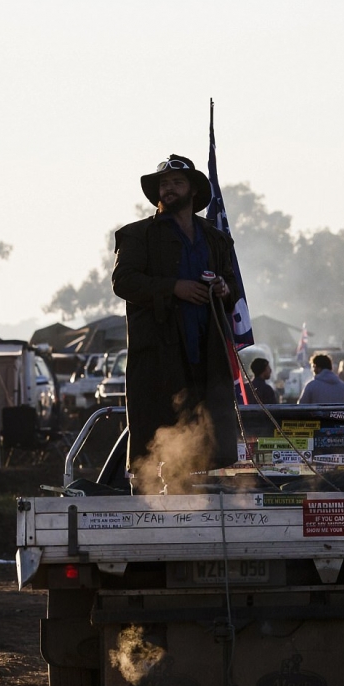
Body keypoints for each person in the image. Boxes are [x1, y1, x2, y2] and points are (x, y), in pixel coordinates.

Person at [112, 154, 240, 489]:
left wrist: (223, 288)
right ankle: (147, 516)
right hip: (159, 358)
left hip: (206, 356)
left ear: (193, 190)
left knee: (205, 443)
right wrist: (174, 288)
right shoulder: (138, 235)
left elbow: (231, 285)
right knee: (154, 443)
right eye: (163, 184)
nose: (168, 189)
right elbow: (123, 282)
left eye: (176, 183)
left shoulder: (215, 237)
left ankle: (197, 510)